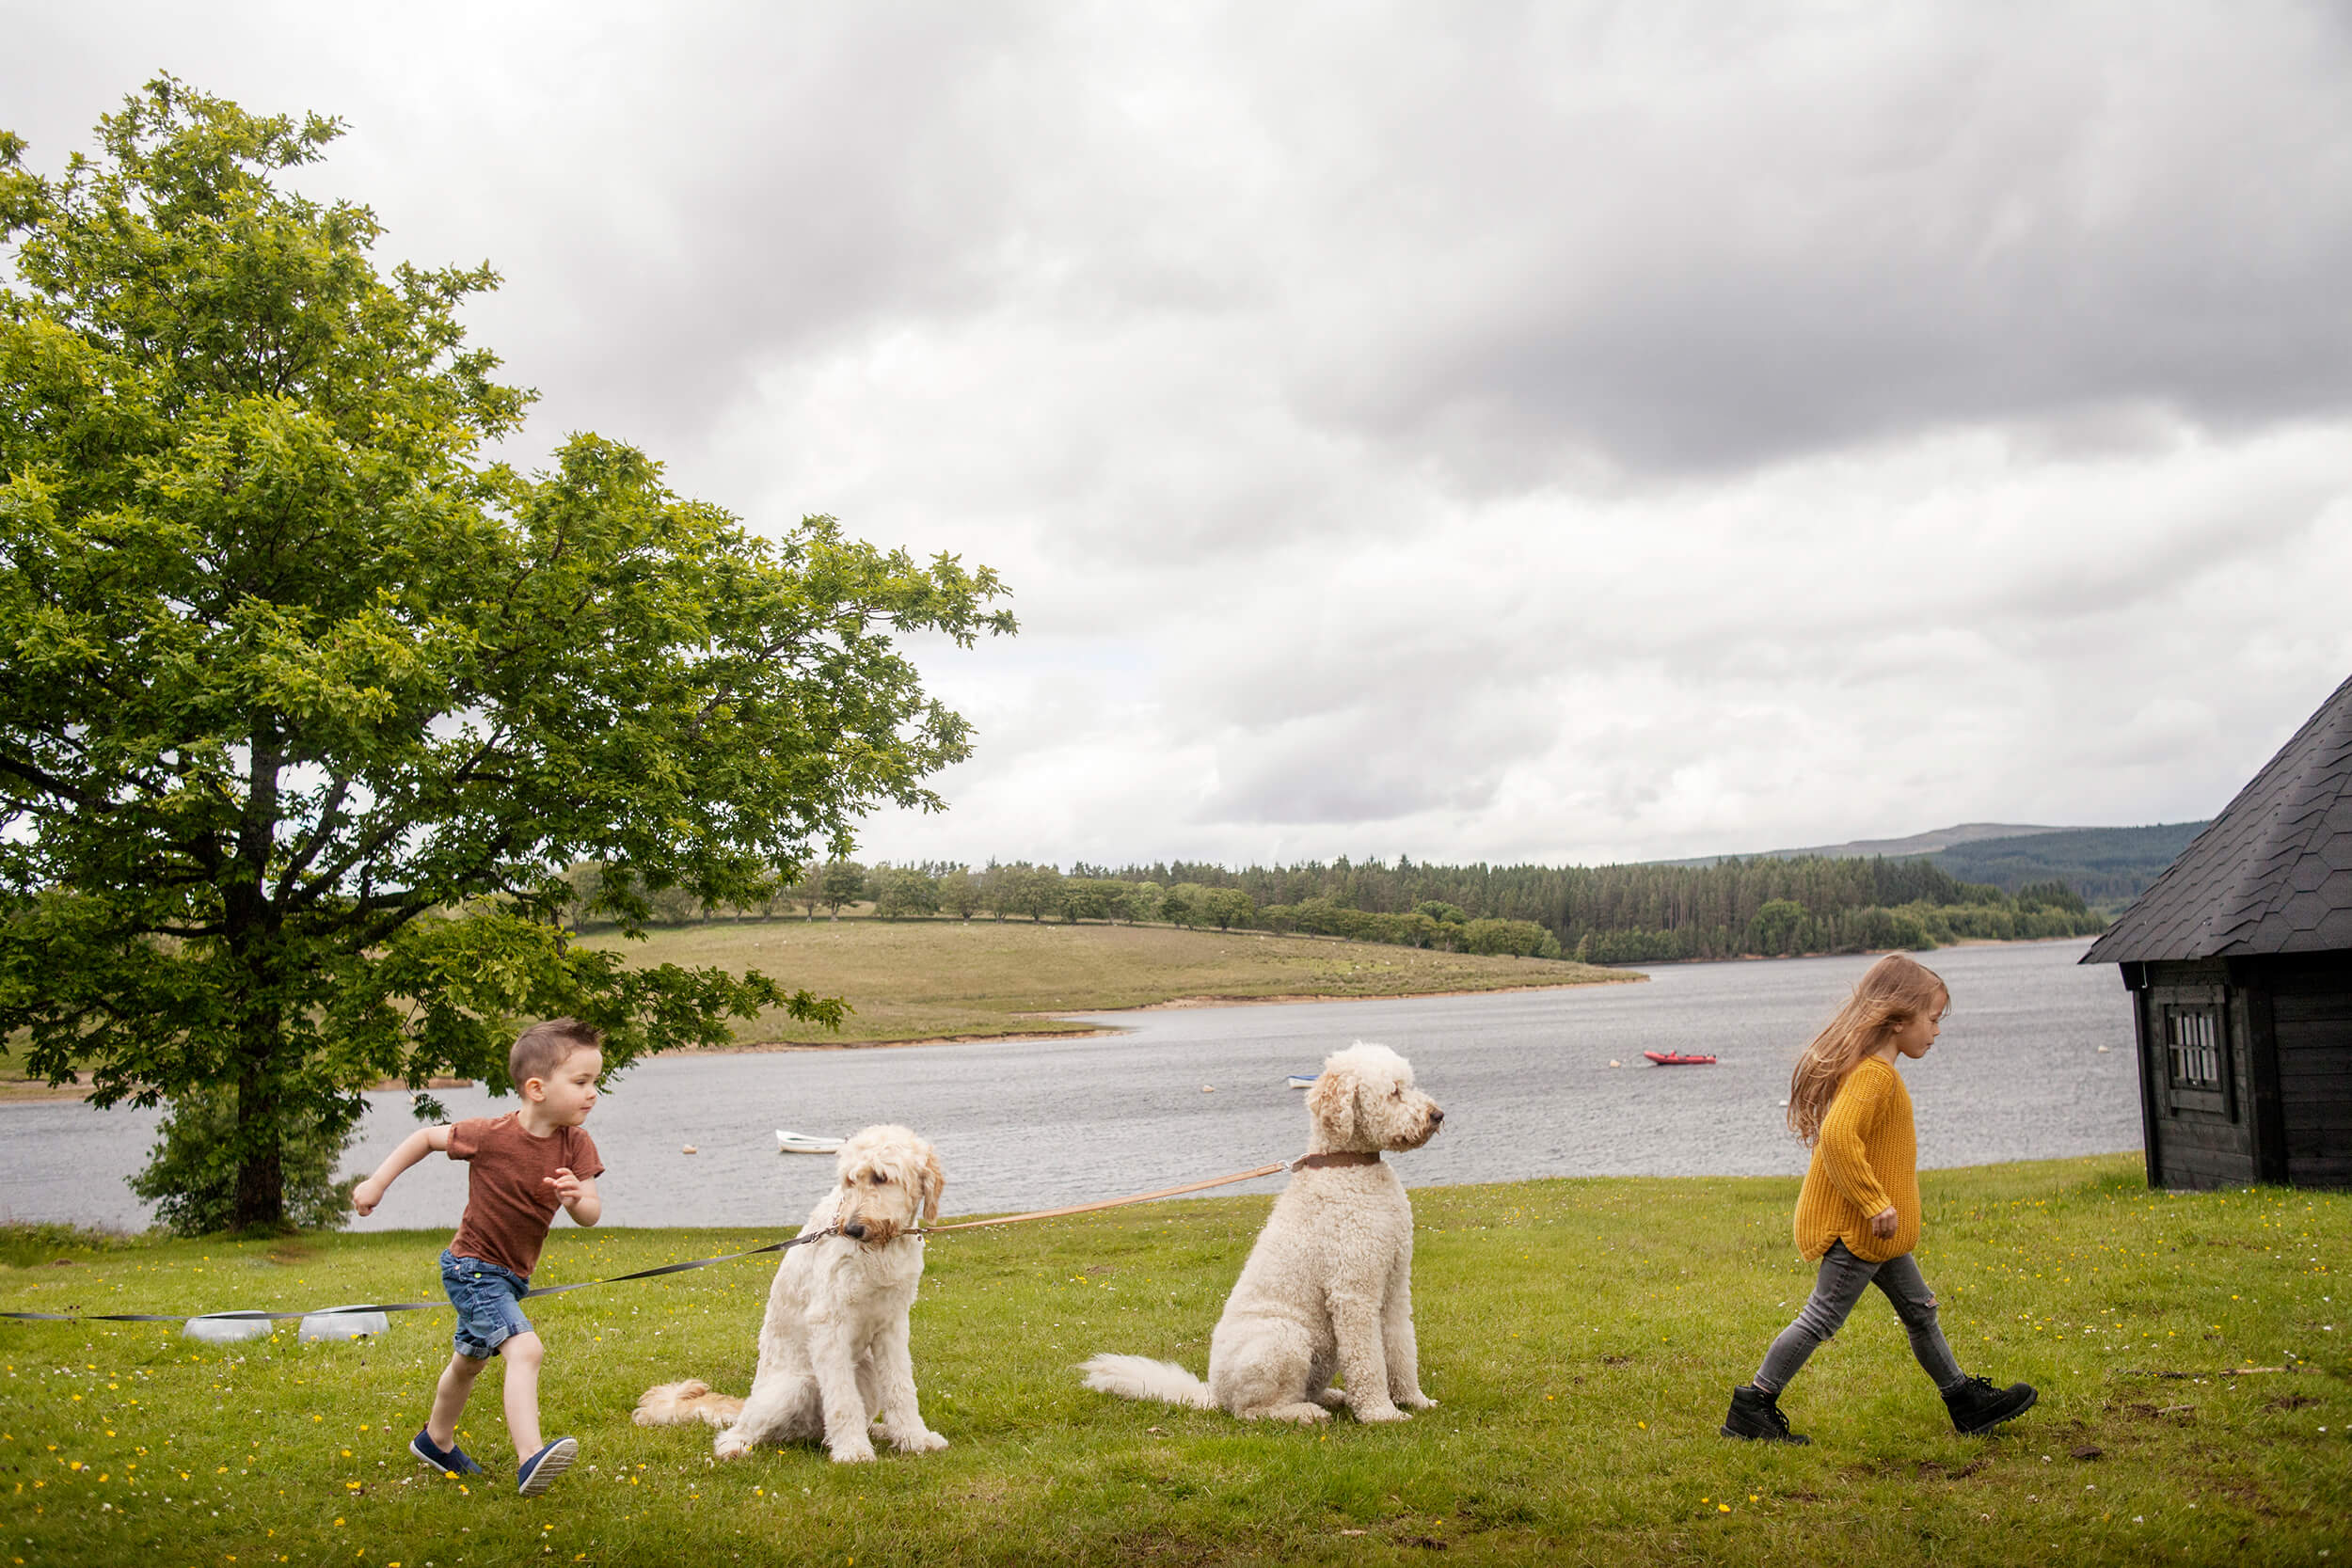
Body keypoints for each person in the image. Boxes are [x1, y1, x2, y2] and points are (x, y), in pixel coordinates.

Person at [1722, 954, 2035, 1444]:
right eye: (1931, 1019)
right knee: (1821, 1317)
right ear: (1897, 1019)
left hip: (1878, 1235)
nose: (1935, 1031)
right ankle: (1752, 1407)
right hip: (1862, 1230)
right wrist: (1873, 1203)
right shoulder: (1876, 1075)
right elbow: (1838, 1136)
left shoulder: (1874, 1070)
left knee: (1920, 1312)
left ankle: (1965, 1403)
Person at [352, 1018, 606, 1497]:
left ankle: (436, 1440)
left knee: (468, 1363)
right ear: (536, 1088)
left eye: (595, 1081)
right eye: (581, 1082)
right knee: (525, 1349)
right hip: (472, 1268)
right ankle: (530, 1458)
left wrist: (576, 1199)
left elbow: (591, 1213)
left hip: (511, 1276)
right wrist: (376, 1183)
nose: (593, 1093)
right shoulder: (490, 1135)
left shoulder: (576, 1144)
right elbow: (425, 1138)